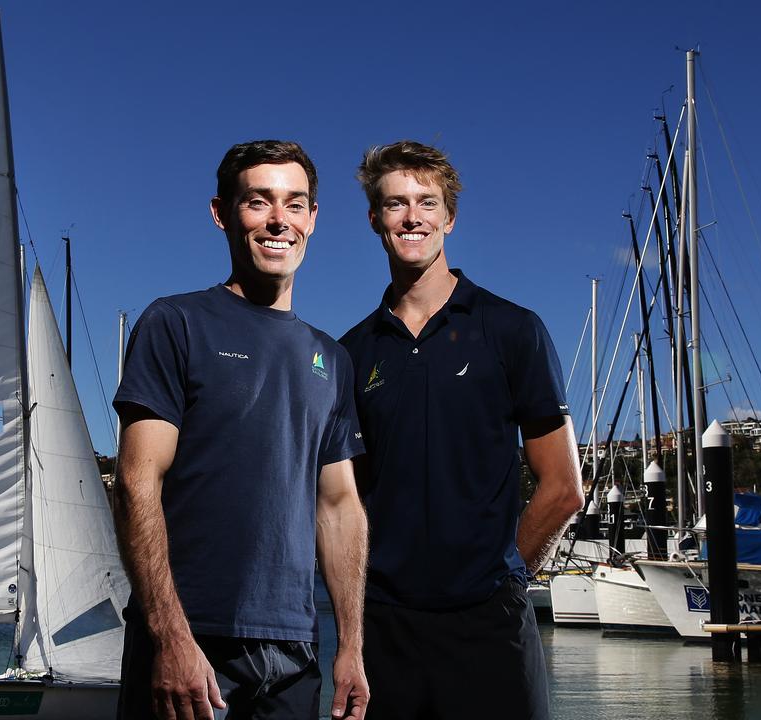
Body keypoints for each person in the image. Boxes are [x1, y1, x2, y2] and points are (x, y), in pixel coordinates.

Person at [112, 140, 370, 720]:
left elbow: (339, 506)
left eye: (295, 204)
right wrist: (171, 639)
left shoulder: (332, 358)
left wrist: (350, 645)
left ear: (313, 218)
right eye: (259, 202)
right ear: (222, 213)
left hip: (295, 652)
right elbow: (135, 484)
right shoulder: (175, 323)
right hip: (193, 641)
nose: (280, 220)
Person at [338, 140, 584, 719]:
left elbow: (564, 487)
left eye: (427, 202)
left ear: (449, 216)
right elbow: (342, 500)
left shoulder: (512, 330)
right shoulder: (352, 353)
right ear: (375, 219)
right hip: (385, 632)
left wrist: (506, 578)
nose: (412, 216)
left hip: (490, 627)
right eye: (396, 203)